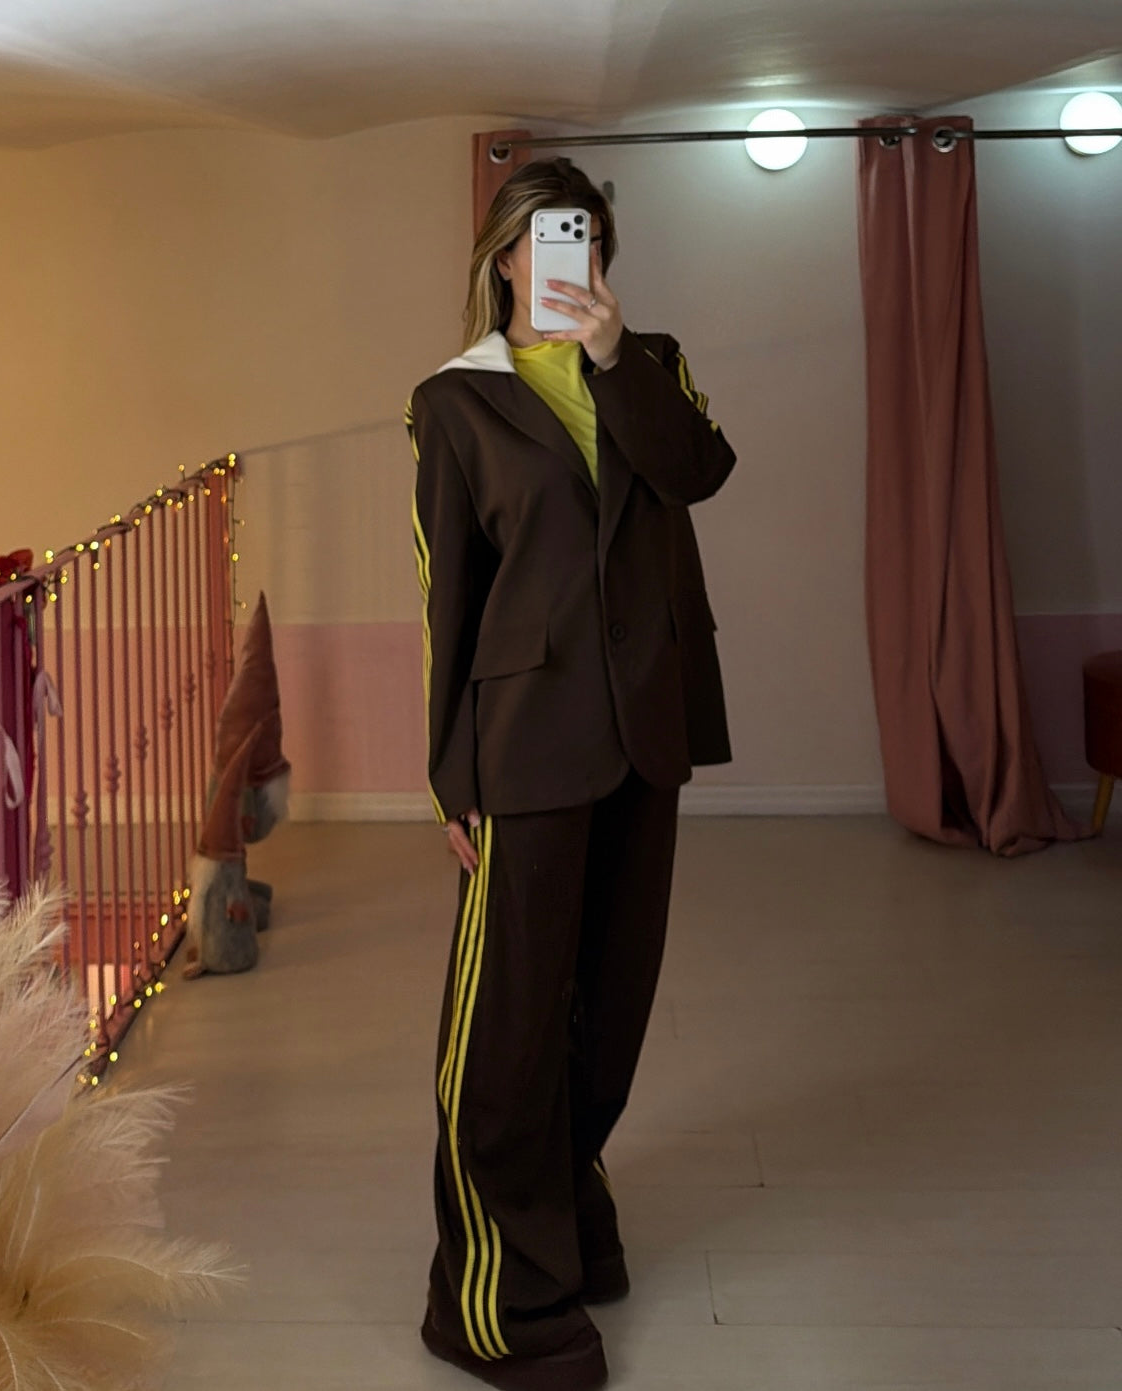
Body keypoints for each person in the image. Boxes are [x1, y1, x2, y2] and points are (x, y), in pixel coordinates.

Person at [405, 158, 736, 1391]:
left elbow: (698, 471)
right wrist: (451, 776)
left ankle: (568, 1206)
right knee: (505, 1025)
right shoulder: (454, 400)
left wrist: (610, 356)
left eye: (588, 238)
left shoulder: (652, 361)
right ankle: (490, 1293)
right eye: (550, 237)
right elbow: (449, 593)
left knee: (610, 1006)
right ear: (504, 256)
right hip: (524, 741)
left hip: (647, 725)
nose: (571, 258)